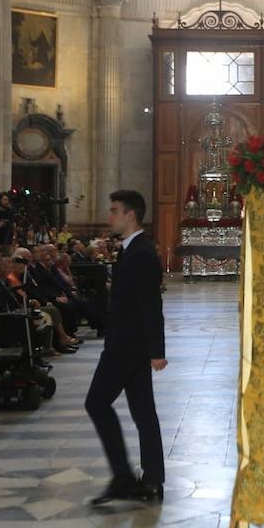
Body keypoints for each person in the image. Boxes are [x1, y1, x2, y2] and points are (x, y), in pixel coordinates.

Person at [84, 189, 166, 505]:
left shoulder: (141, 254)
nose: (110, 216)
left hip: (126, 347)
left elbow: (150, 304)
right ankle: (152, 479)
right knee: (144, 412)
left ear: (130, 215)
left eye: (114, 210)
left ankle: (123, 477)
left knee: (96, 403)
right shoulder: (132, 250)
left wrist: (157, 350)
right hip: (129, 343)